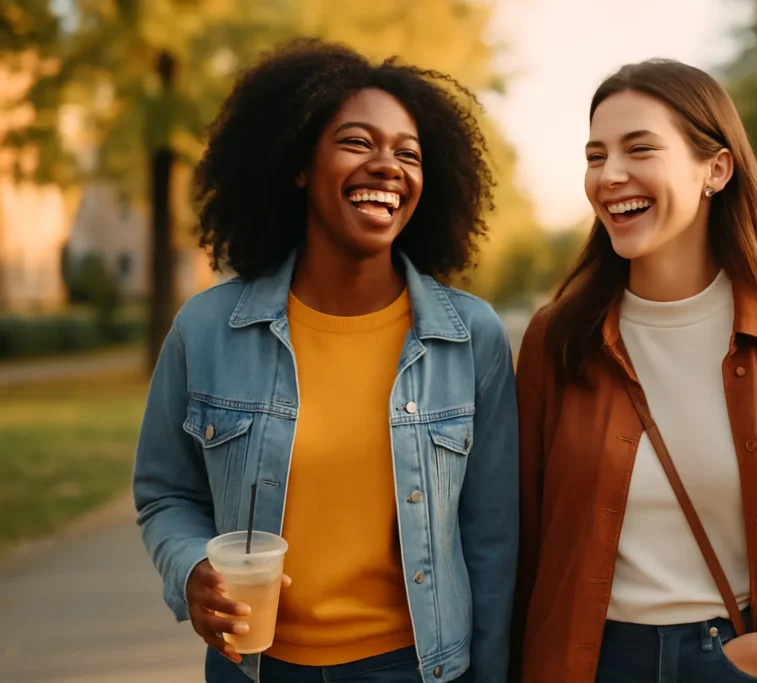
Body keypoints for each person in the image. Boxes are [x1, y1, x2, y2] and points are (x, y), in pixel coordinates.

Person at [133, 39, 518, 683]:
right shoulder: (206, 329)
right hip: (253, 667)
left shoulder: (471, 338)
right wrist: (192, 567)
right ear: (298, 165)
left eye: (408, 152)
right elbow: (165, 493)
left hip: (415, 668)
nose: (388, 165)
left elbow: (493, 540)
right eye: (358, 142)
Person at [512, 59, 757, 683]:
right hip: (586, 661)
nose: (611, 176)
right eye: (595, 156)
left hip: (737, 659)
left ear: (716, 169)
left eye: (640, 149)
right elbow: (520, 535)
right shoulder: (558, 341)